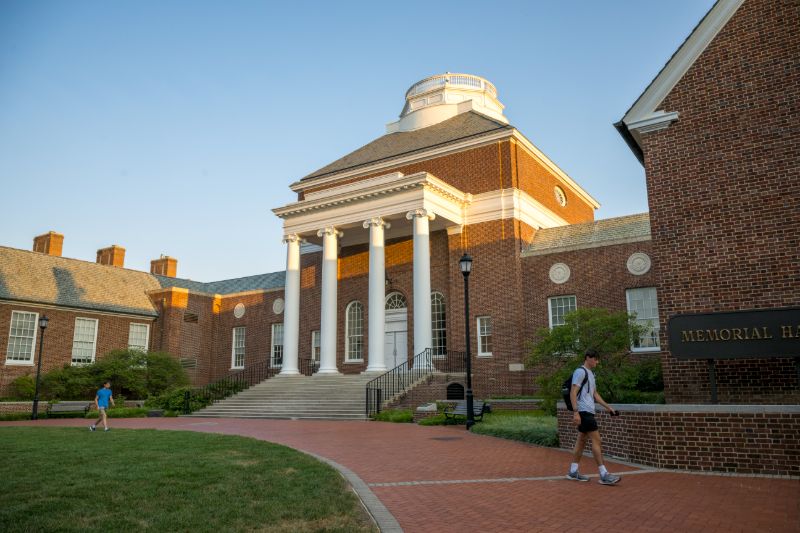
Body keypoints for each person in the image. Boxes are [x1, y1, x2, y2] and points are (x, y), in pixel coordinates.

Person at [566, 349, 620, 485]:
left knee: (581, 441)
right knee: (597, 440)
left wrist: (609, 408)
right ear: (588, 358)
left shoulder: (591, 373)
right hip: (583, 412)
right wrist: (576, 412)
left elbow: (595, 394)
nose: (597, 361)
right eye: (595, 359)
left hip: (588, 411)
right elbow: (573, 392)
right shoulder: (580, 372)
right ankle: (603, 474)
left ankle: (573, 471)